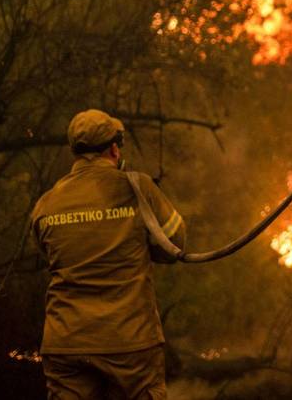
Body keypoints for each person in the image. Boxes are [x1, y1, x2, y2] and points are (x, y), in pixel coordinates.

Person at [31, 109, 186, 399]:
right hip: (130, 343)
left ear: (74, 152)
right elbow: (175, 244)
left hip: (66, 343)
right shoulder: (138, 188)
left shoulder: (46, 203)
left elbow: (48, 255)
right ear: (114, 149)